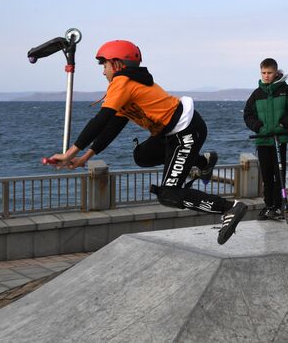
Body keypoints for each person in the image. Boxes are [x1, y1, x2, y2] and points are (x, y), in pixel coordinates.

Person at [48, 40, 247, 245]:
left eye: (104, 65)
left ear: (116, 64)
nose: (103, 72)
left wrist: (69, 153)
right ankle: (202, 161)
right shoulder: (124, 87)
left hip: (186, 131)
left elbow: (99, 121)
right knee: (142, 156)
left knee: (169, 194)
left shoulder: (122, 82)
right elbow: (110, 128)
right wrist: (83, 158)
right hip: (169, 134)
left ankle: (229, 207)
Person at [243, 58, 288, 220]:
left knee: (279, 173)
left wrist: (283, 124)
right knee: (266, 175)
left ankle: (279, 205)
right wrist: (259, 127)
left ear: (276, 72)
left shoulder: (286, 90)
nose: (266, 76)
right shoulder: (257, 93)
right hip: (263, 140)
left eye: (269, 73)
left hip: (280, 140)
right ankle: (269, 206)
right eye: (263, 73)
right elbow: (248, 115)